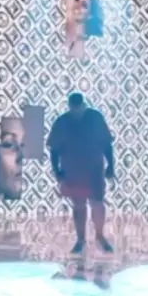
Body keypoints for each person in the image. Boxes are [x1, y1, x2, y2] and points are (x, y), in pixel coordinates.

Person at [48, 93, 115, 253]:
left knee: (97, 203)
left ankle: (100, 236)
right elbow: (54, 150)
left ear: (83, 105)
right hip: (73, 169)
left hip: (94, 168)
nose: (76, 111)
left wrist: (111, 166)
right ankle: (80, 239)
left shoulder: (95, 118)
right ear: (70, 107)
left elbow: (107, 144)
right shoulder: (62, 122)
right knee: (78, 204)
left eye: (79, 108)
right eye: (74, 108)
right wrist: (57, 171)